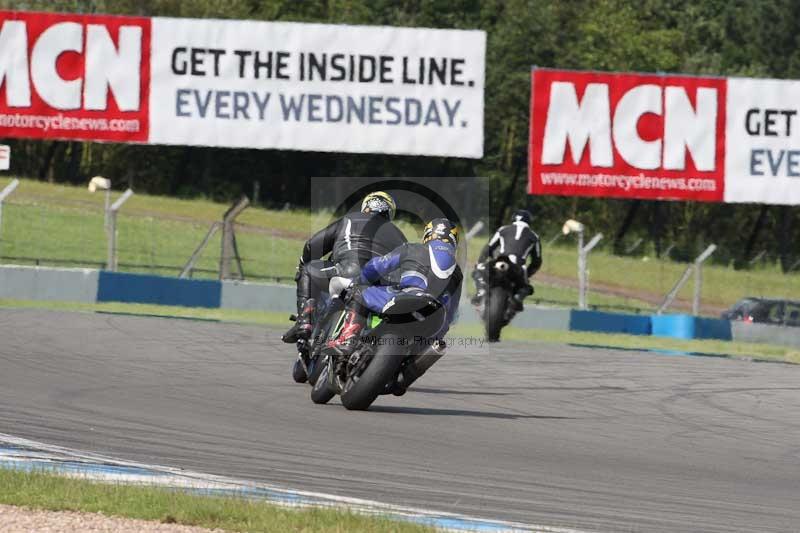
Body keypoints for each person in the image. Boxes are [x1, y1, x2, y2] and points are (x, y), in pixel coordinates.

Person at [323, 218, 463, 392]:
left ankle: (349, 338)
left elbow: (377, 266)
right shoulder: (457, 272)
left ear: (428, 235)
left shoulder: (412, 248)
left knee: (359, 292)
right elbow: (451, 314)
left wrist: (361, 280)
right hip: (435, 317)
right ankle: (407, 372)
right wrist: (432, 338)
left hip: (404, 298)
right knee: (430, 346)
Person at [281, 191, 407, 343]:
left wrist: (303, 262)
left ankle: (304, 321)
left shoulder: (349, 219)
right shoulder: (400, 236)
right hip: (379, 286)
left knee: (307, 270)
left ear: (366, 206)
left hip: (346, 272)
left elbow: (312, 245)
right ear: (389, 212)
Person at [471, 208, 541, 310]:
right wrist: (527, 275)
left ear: (513, 219)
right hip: (519, 267)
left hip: (501, 263)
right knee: (526, 287)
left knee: (478, 272)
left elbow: (489, 247)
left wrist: (480, 262)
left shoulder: (503, 230)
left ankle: (481, 291)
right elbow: (537, 261)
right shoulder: (534, 237)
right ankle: (518, 297)